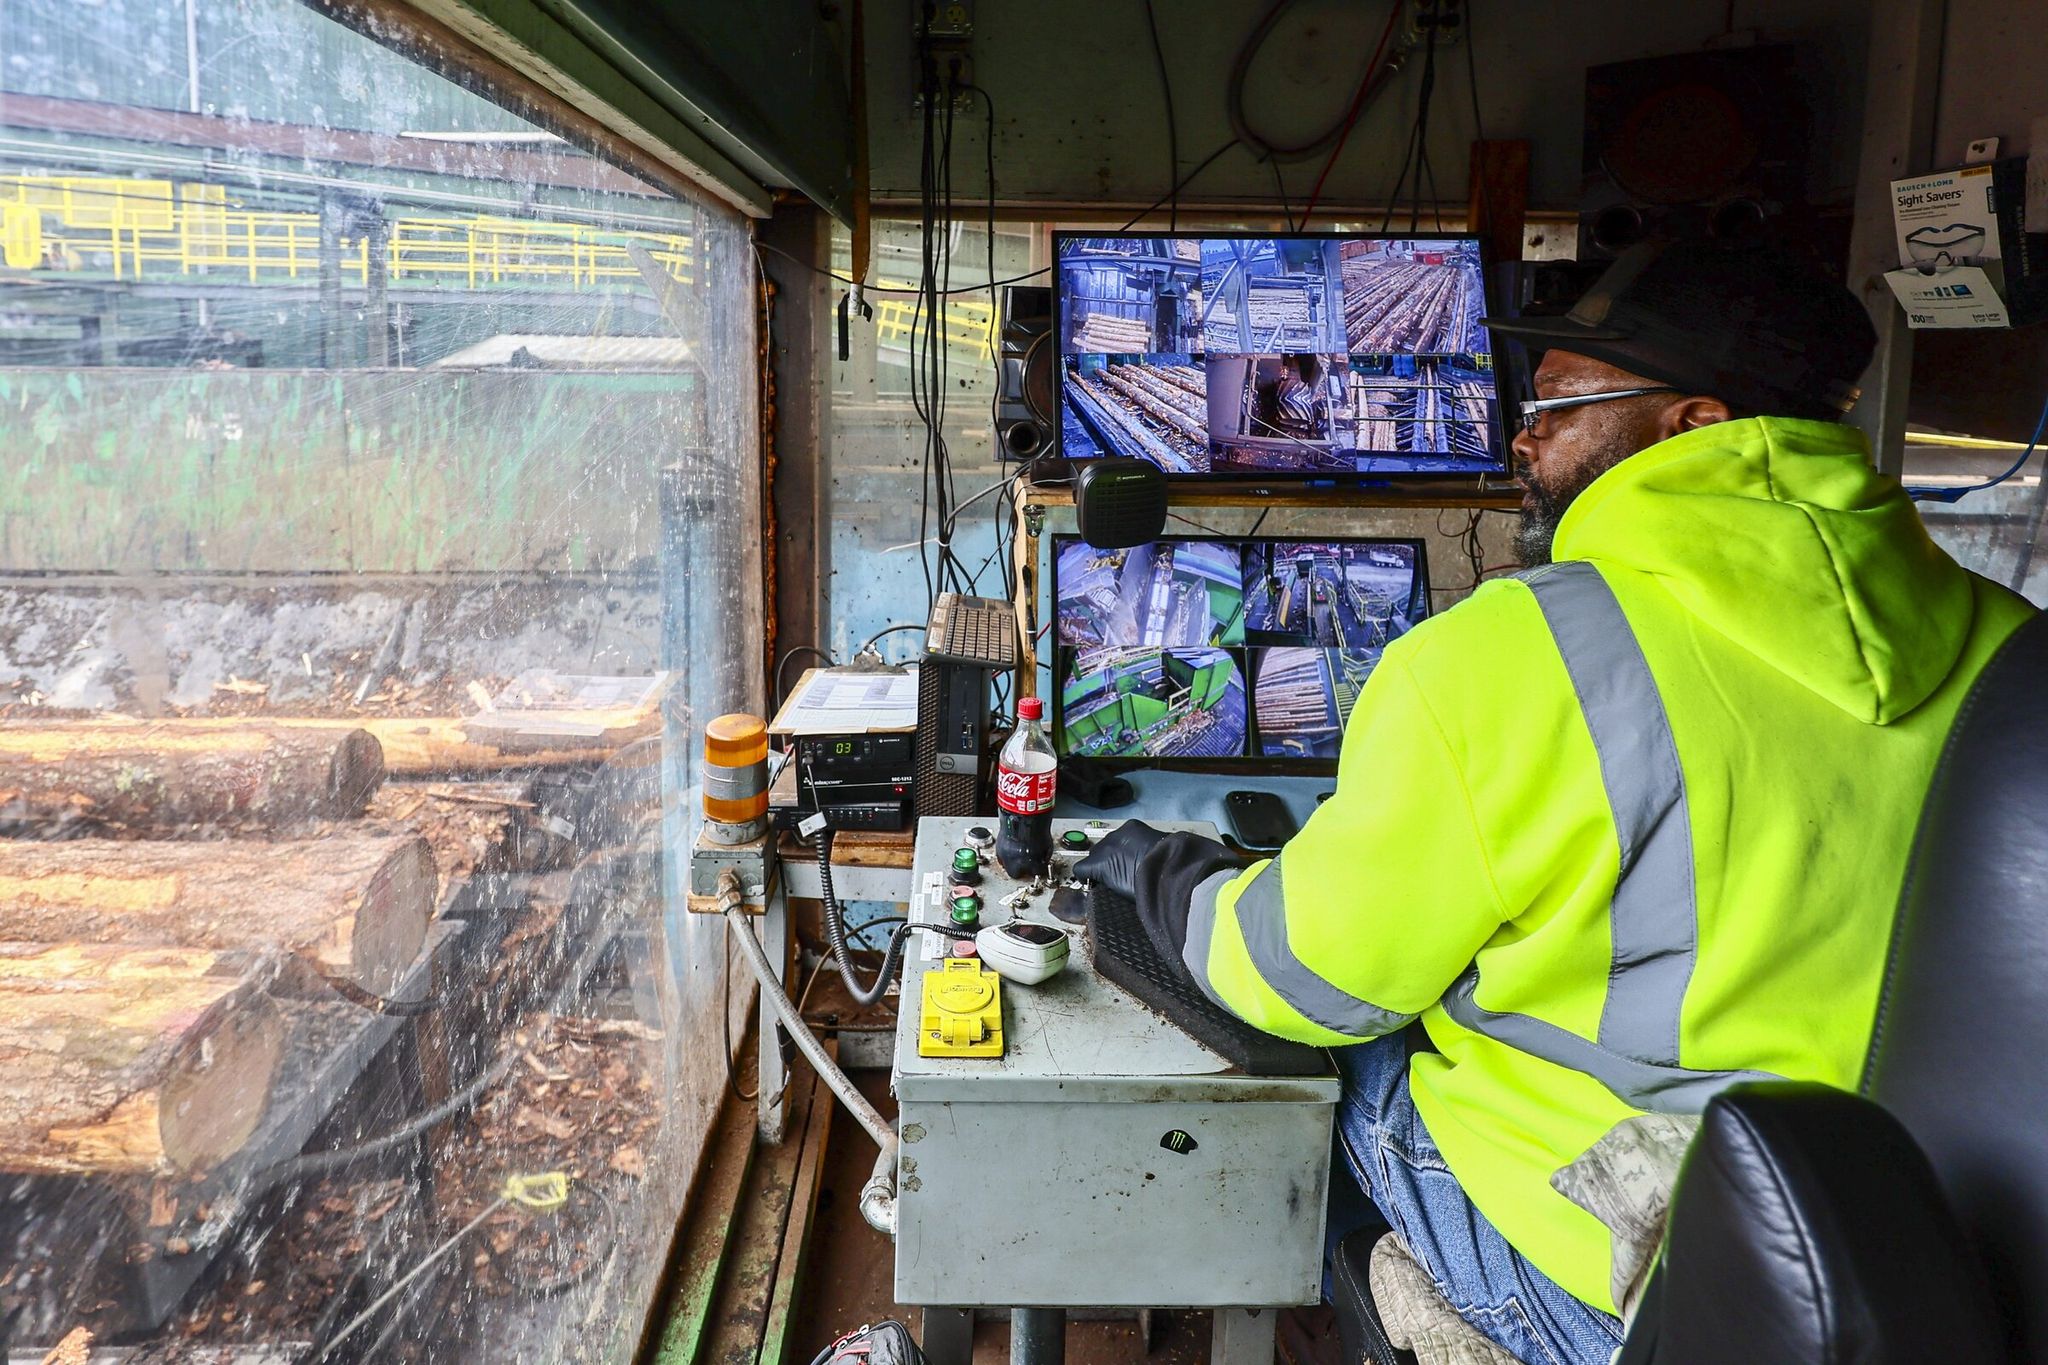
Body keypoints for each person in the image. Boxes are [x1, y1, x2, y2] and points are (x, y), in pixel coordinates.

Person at [1075, 239, 2038, 1365]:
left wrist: (1162, 875)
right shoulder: (2011, 649)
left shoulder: (1509, 652)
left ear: (1690, 423)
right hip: (1912, 1257)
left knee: (1344, 1042)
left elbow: (1305, 982)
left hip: (1616, 1268)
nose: (1521, 437)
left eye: (1559, 405)